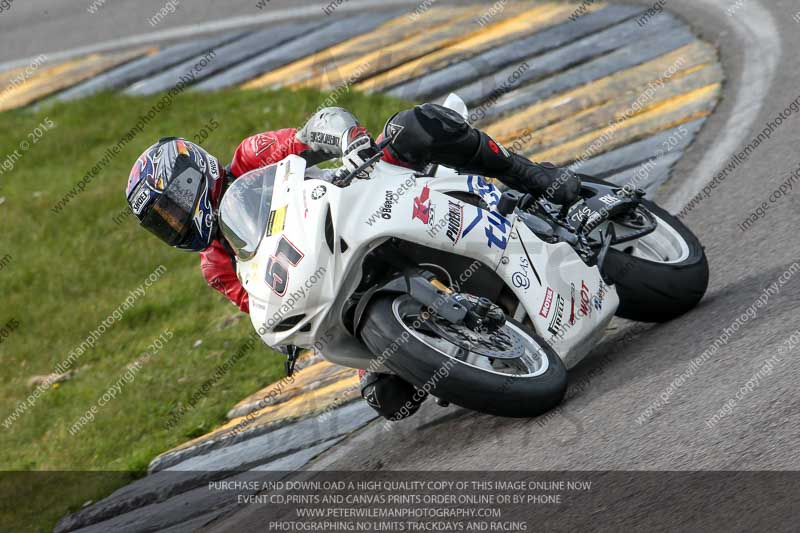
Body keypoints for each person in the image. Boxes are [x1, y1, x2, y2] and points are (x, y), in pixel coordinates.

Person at [124, 104, 581, 421]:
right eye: (164, 221)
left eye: (175, 204)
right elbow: (261, 299)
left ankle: (528, 175)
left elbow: (312, 131)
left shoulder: (249, 157)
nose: (178, 220)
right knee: (389, 399)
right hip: (339, 280)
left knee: (411, 126)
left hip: (366, 198)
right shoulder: (215, 264)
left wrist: (349, 139)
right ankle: (457, 341)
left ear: (195, 173)